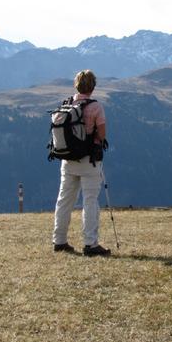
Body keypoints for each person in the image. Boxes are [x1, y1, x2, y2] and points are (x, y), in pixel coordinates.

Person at [52, 69, 111, 256]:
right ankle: (90, 244)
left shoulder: (67, 104)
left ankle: (59, 241)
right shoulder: (95, 107)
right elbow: (101, 134)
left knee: (64, 200)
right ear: (92, 87)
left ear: (76, 85)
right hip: (89, 161)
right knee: (90, 201)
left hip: (67, 160)